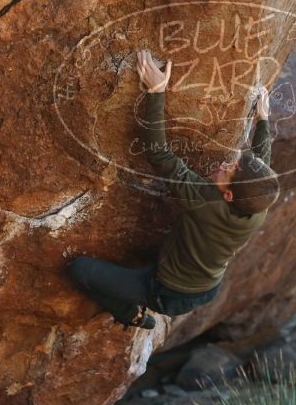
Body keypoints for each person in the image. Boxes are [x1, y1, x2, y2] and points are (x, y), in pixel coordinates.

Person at [67, 50, 280, 329]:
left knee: (79, 270)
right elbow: (261, 166)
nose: (224, 163)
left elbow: (160, 155)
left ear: (228, 196)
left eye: (229, 170)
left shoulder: (206, 202)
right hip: (207, 285)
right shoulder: (256, 203)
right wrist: (262, 121)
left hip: (167, 292)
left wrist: (156, 91)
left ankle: (131, 314)